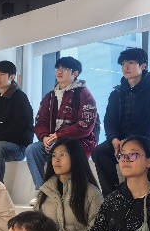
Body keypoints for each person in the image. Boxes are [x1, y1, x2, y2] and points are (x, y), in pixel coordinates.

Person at [92, 48, 150, 196]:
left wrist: (130, 140)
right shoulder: (116, 92)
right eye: (123, 64)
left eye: (131, 63)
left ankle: (146, 195)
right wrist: (114, 139)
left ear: (143, 66)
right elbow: (109, 120)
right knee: (99, 152)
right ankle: (112, 197)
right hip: (120, 140)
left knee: (135, 153)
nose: (126, 67)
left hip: (148, 137)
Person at [26, 56, 99, 190]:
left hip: (78, 142)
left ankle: (67, 190)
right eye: (58, 68)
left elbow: (85, 126)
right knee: (32, 149)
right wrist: (45, 137)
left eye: (65, 69)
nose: (59, 71)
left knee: (61, 151)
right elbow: (40, 121)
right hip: (54, 141)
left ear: (75, 73)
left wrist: (59, 136)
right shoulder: (49, 96)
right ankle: (43, 190)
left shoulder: (84, 94)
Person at [34, 138, 103, 231]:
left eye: (62, 154)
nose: (56, 160)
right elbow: (35, 226)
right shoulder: (45, 191)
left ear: (76, 157)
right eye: (53, 155)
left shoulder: (91, 193)